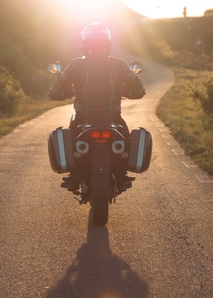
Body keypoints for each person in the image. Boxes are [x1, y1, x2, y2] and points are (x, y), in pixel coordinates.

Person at [48, 22, 146, 189]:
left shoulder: (76, 64)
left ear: (84, 43)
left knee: (70, 138)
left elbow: (58, 86)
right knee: (125, 138)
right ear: (107, 43)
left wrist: (57, 93)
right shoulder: (119, 63)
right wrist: (130, 91)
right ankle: (122, 174)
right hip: (112, 118)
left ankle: (73, 176)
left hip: (82, 119)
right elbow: (138, 89)